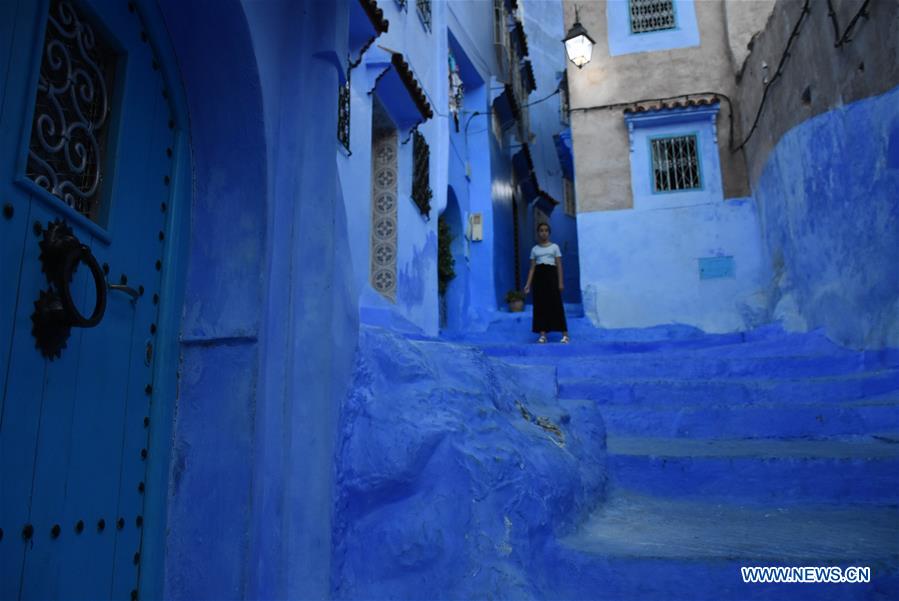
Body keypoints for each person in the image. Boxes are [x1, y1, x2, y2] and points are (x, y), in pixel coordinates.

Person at [523, 223, 569, 343]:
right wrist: (528, 284)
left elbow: (559, 265)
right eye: (541, 230)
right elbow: (532, 268)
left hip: (552, 276)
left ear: (549, 233)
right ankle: (542, 334)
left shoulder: (555, 247)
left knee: (556, 305)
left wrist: (560, 282)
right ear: (538, 233)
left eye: (546, 230)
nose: (544, 233)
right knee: (540, 306)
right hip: (539, 279)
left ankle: (564, 334)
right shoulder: (534, 249)